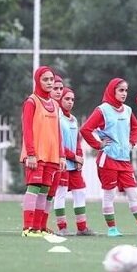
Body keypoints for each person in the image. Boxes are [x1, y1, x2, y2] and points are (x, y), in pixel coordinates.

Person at [80, 78, 137, 237]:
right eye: (120, 90)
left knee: (134, 194)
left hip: (124, 160)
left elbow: (136, 126)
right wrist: (98, 144)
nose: (124, 94)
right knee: (109, 194)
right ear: (112, 91)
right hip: (108, 159)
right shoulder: (103, 110)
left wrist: (132, 142)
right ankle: (112, 229)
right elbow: (85, 129)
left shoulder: (127, 110)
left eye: (126, 90)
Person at [20, 66, 66, 237]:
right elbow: (27, 130)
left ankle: (38, 228)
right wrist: (31, 154)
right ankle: (27, 228)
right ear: (38, 81)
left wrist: (61, 155)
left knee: (45, 191)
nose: (49, 83)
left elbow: (57, 132)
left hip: (52, 156)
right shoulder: (31, 102)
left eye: (51, 80)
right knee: (33, 189)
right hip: (36, 156)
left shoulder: (55, 104)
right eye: (45, 79)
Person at [53, 87, 96, 236]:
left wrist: (79, 157)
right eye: (67, 99)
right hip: (62, 162)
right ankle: (62, 227)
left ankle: (82, 228)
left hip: (74, 164)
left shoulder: (74, 119)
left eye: (72, 99)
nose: (70, 102)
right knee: (61, 193)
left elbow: (77, 141)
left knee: (80, 192)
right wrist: (72, 156)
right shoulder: (57, 118)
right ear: (60, 100)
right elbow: (57, 143)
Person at [39, 74, 65, 234]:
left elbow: (61, 137)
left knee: (50, 193)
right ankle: (33, 225)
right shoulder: (43, 106)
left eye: (60, 88)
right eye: (55, 88)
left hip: (59, 158)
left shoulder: (60, 109)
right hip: (46, 155)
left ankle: (42, 224)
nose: (58, 91)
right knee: (40, 191)